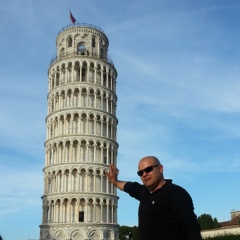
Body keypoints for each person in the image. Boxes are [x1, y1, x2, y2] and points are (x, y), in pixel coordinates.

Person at [105, 156, 202, 240]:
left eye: (148, 169)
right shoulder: (144, 193)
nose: (144, 174)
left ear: (160, 169)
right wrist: (115, 181)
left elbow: (191, 228)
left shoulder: (176, 193)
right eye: (140, 173)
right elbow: (129, 187)